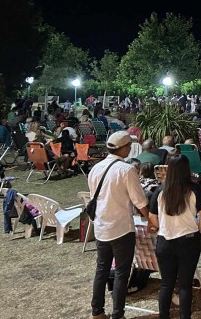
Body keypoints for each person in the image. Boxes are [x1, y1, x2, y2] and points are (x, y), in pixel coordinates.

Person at [89, 130, 150, 319]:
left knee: (102, 270)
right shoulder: (127, 170)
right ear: (123, 148)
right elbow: (140, 201)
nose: (130, 149)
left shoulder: (96, 168)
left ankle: (97, 311)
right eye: (129, 146)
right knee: (122, 273)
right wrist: (150, 218)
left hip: (101, 226)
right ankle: (118, 314)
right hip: (121, 228)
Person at [148, 154, 201, 319]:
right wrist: (199, 230)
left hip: (165, 241)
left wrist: (164, 227)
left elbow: (152, 216)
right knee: (185, 284)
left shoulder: (160, 190)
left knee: (166, 284)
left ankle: (163, 316)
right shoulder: (194, 189)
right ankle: (184, 316)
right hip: (188, 240)